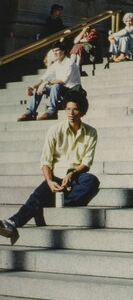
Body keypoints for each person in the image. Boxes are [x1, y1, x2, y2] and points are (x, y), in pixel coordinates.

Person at [0, 90, 99, 245]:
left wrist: (72, 173)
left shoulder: (91, 132)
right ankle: (12, 223)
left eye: (75, 109)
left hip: (77, 176)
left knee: (92, 181)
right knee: (40, 192)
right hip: (57, 175)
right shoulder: (54, 130)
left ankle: (60, 201)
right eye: (68, 109)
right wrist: (49, 181)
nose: (71, 113)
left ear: (82, 111)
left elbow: (86, 162)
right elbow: (45, 161)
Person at [18, 41, 82, 121]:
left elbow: (63, 81)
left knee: (56, 85)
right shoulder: (56, 64)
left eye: (57, 50)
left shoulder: (70, 63)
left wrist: (46, 83)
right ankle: (30, 112)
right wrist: (32, 87)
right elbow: (44, 77)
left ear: (64, 51)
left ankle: (51, 111)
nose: (55, 53)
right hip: (60, 90)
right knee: (40, 88)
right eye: (54, 51)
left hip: (72, 91)